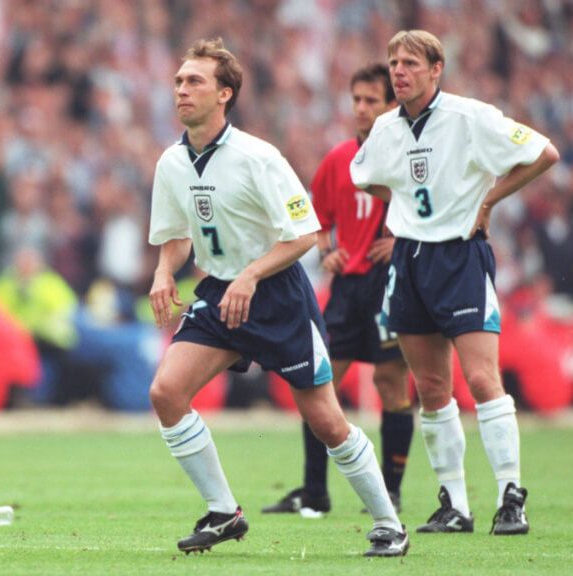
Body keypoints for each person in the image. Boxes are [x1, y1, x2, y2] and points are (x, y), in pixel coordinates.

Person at [148, 38, 407, 558]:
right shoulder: (171, 163)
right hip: (221, 292)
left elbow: (305, 234)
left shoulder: (258, 156)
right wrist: (162, 271)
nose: (181, 89)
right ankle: (223, 512)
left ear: (225, 94)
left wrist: (250, 277)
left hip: (277, 296)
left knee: (327, 421)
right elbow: (177, 235)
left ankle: (388, 524)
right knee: (166, 393)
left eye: (194, 81)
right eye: (178, 80)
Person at [351, 30, 559, 535]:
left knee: (483, 379)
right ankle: (456, 505)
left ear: (436, 69)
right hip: (411, 258)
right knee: (431, 387)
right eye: (394, 62)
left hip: (460, 257)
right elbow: (365, 177)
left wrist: (486, 201)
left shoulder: (470, 117)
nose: (399, 72)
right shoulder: (385, 128)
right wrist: (406, 198)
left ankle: (511, 497)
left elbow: (544, 153)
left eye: (410, 64)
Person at [263, 64, 413, 517]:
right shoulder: (338, 160)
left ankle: (390, 490)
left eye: (372, 100)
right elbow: (315, 219)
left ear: (392, 105)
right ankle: (315, 492)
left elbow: (431, 210)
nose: (362, 108)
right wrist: (327, 250)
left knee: (391, 383)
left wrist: (400, 238)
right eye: (357, 100)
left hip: (389, 284)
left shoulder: (409, 154)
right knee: (317, 382)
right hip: (348, 289)